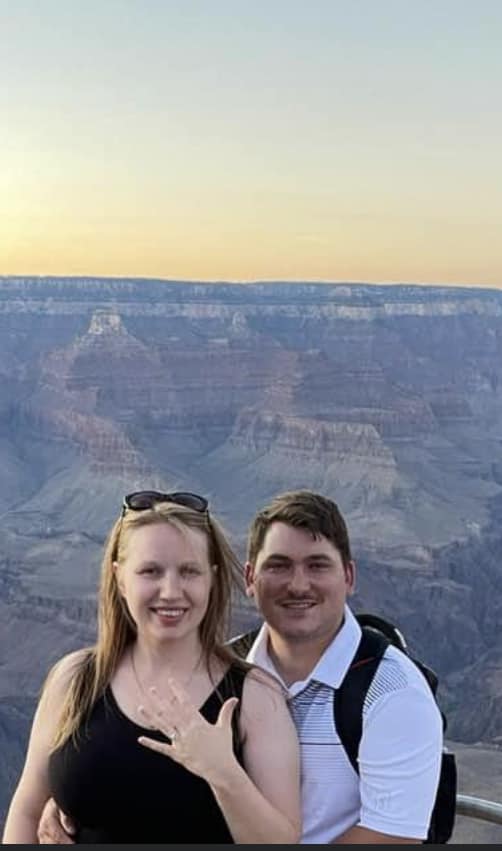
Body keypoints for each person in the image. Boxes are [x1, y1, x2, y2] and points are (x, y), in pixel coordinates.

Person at [35, 489, 443, 845]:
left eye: (317, 565)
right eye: (278, 565)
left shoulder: (391, 692)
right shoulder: (237, 664)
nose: (298, 584)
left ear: (349, 575)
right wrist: (72, 792)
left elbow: (394, 835)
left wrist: (222, 770)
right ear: (249, 578)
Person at [2, 490, 301, 844]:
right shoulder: (77, 680)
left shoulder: (255, 698)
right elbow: (26, 812)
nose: (171, 591)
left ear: (212, 578)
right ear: (120, 578)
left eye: (190, 571)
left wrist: (223, 773)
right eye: (150, 572)